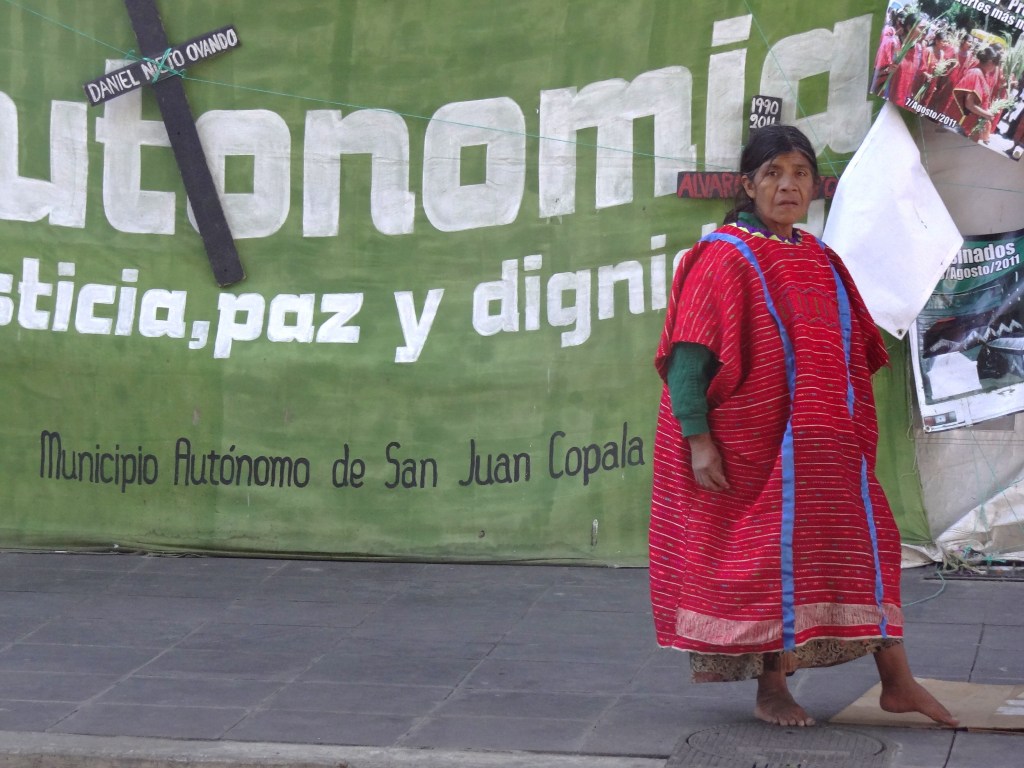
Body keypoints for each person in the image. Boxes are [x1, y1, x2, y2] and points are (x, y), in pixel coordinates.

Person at [649, 124, 959, 728]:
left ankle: (897, 683)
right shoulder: (724, 258)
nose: (787, 185)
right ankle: (772, 692)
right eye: (773, 174)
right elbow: (688, 360)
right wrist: (699, 442)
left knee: (868, 549)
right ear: (748, 185)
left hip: (826, 451)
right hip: (752, 451)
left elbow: (855, 350)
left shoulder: (819, 259)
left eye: (799, 174)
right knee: (771, 565)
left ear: (816, 187)